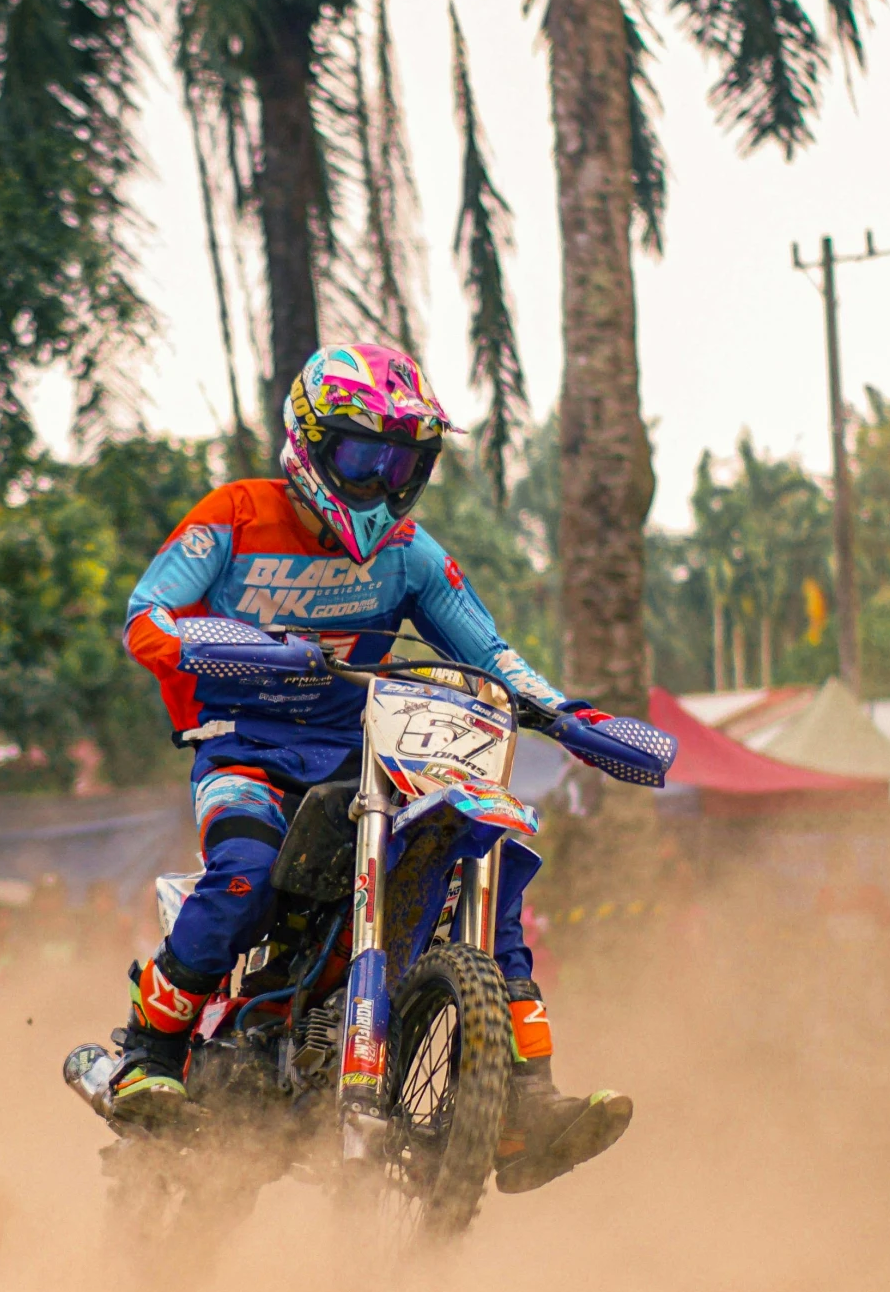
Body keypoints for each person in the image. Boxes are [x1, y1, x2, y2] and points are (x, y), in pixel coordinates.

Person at [109, 338, 630, 1181]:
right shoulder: (234, 516)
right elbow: (149, 615)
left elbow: (491, 655)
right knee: (244, 871)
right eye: (363, 455)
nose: (384, 482)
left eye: (404, 462)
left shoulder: (411, 556)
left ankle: (523, 1101)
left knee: (482, 851)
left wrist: (571, 717)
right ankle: (150, 1055)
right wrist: (245, 647)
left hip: (365, 757)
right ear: (311, 444)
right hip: (246, 752)